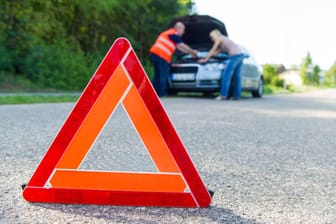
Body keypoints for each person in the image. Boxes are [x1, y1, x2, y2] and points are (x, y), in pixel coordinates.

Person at [150, 22, 198, 97]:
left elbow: (178, 47)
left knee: (157, 75)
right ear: (179, 28)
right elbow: (181, 45)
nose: (183, 32)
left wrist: (190, 53)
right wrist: (193, 51)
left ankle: (153, 93)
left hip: (154, 54)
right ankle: (162, 93)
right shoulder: (173, 34)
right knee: (163, 75)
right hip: (161, 55)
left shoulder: (168, 34)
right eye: (183, 30)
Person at [198, 29, 245, 100]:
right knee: (236, 77)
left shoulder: (219, 38)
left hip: (234, 57)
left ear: (215, 35)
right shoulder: (224, 41)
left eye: (212, 37)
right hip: (240, 55)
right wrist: (204, 56)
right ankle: (236, 96)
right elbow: (216, 52)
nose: (212, 39)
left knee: (226, 75)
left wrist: (205, 59)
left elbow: (213, 49)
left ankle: (223, 95)